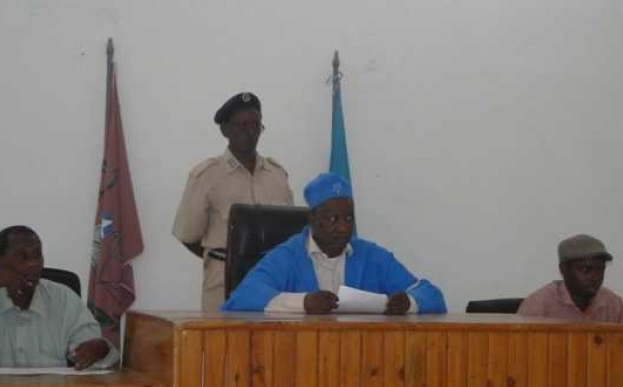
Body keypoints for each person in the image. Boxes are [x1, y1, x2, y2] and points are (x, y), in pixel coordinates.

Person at [222, 172, 447, 314]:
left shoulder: (372, 257)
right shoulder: (286, 256)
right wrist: (304, 303)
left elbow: (432, 296)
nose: (343, 227)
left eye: (349, 218)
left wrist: (409, 303)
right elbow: (241, 298)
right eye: (333, 219)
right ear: (312, 219)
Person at [172, 92, 294, 311]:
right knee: (223, 334)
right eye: (242, 125)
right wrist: (227, 257)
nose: (250, 131)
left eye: (255, 125)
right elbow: (187, 235)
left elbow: (288, 231)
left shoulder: (277, 175)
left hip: (273, 281)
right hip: (224, 281)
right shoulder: (207, 176)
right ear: (225, 130)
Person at [0, 226, 119, 369]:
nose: (32, 264)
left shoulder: (63, 298)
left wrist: (100, 349)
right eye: (22, 257)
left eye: (36, 255)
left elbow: (91, 354)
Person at [518, 233, 623, 368]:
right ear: (563, 269)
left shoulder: (612, 303)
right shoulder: (538, 305)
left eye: (600, 270)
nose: (595, 277)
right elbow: (521, 360)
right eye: (586, 270)